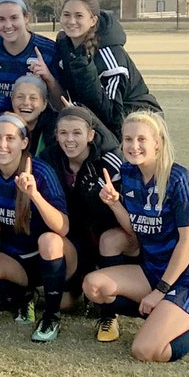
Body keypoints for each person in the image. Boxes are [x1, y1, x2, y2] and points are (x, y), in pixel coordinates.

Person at [82, 111, 189, 361]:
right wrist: (115, 204)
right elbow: (135, 229)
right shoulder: (130, 174)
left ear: (158, 142)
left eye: (141, 139)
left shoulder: (180, 179)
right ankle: (165, 314)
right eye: (128, 139)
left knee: (146, 351)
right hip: (152, 270)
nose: (133, 146)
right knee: (93, 286)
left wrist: (160, 290)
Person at [0, 113, 75, 343]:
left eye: (10, 138)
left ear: (24, 143)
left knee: (49, 240)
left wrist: (33, 195)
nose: (2, 145)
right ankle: (26, 295)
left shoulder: (41, 171)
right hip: (16, 258)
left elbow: (62, 228)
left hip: (53, 253)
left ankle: (51, 317)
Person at [39, 105, 127, 317]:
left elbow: (126, 213)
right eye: (63, 133)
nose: (70, 139)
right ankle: (73, 287)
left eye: (77, 133)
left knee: (109, 240)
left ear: (90, 135)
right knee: (64, 304)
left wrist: (108, 200)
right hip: (73, 238)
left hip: (104, 237)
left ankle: (107, 296)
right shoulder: (49, 159)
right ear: (56, 136)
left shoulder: (110, 162)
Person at [56, 0, 161, 139]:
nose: (71, 21)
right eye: (66, 15)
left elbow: (112, 115)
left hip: (134, 124)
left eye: (79, 16)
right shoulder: (64, 46)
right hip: (98, 121)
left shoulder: (110, 56)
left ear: (93, 20)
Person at [0, 0, 63, 103]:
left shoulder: (48, 49)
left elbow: (61, 103)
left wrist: (48, 77)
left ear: (26, 18)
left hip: (34, 117)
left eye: (14, 18)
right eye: (1, 19)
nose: (8, 25)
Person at [10, 75, 55, 156]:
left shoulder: (54, 132)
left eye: (33, 98)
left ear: (44, 104)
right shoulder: (2, 126)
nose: (26, 103)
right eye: (20, 97)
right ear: (12, 100)